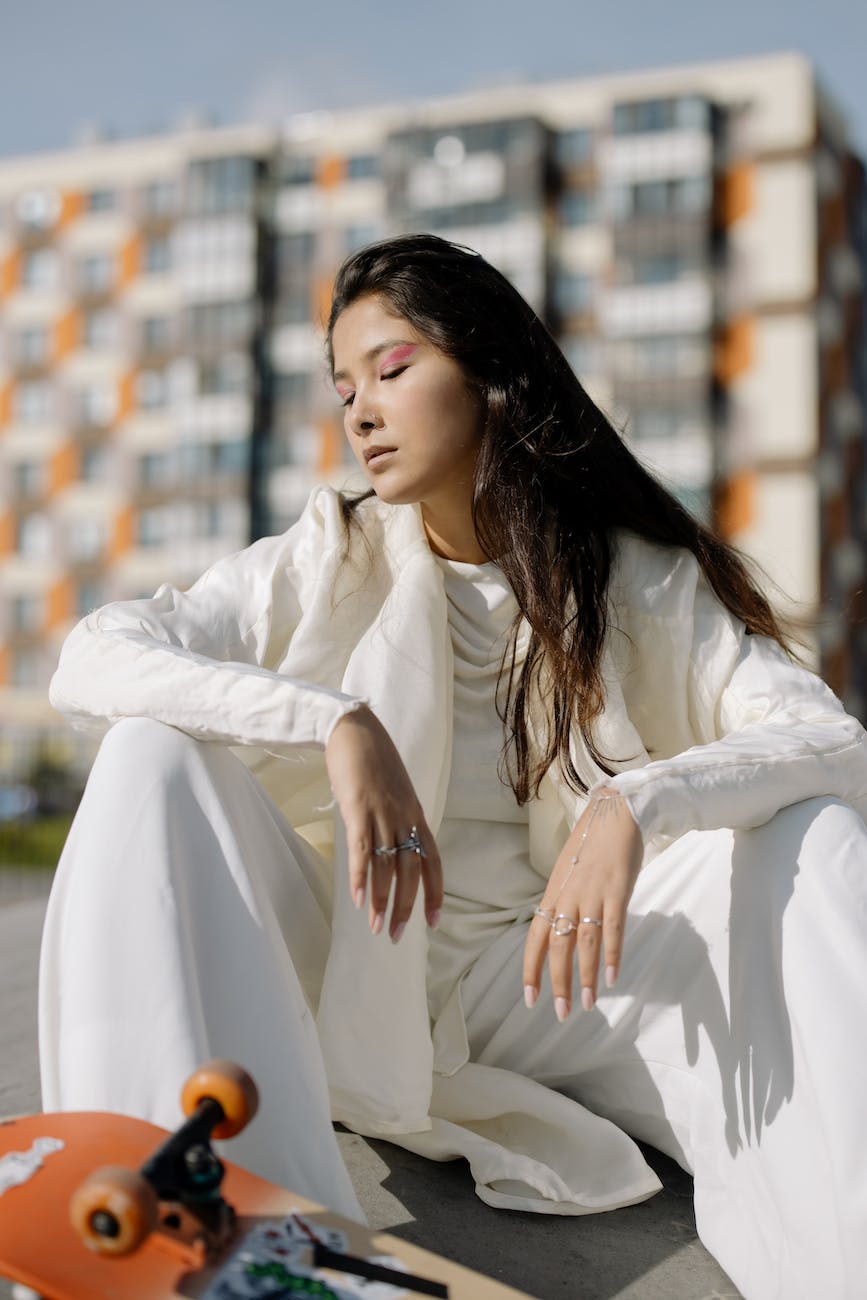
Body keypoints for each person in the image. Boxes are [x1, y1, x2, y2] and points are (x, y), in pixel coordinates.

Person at [42, 233, 867, 1300]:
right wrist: (335, 719)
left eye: (391, 369)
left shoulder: (638, 579)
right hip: (352, 963)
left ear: (489, 375)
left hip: (562, 978)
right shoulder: (326, 554)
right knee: (151, 756)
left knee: (814, 838)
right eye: (344, 388)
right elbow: (95, 654)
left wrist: (637, 803)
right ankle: (188, 1220)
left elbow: (828, 737)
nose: (361, 411)